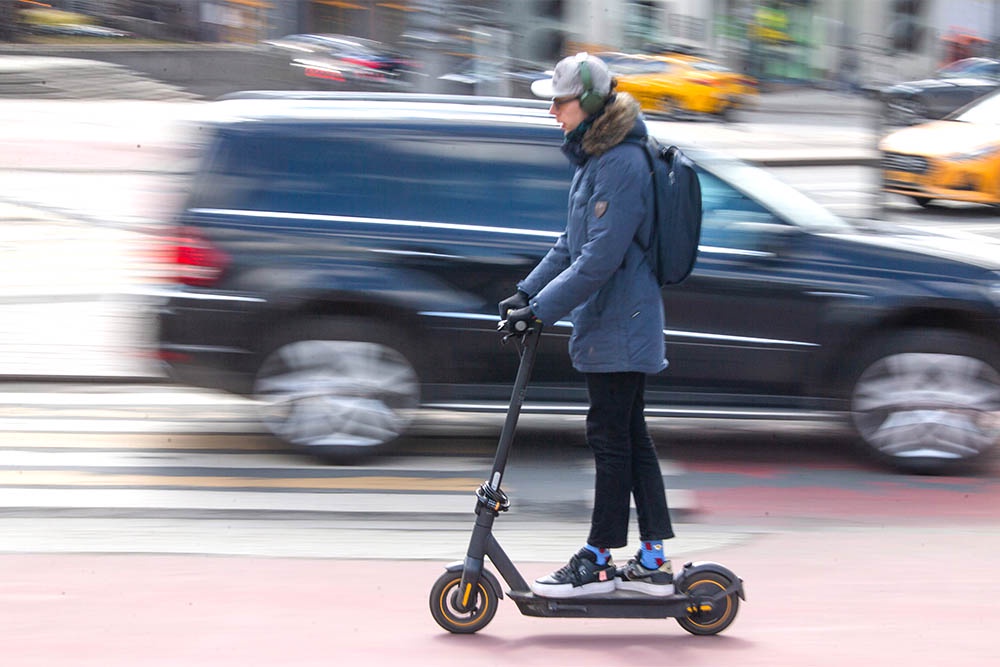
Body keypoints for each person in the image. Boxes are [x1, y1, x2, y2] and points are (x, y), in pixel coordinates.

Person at [498, 52, 675, 599]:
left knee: (610, 437)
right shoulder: (596, 160)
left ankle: (599, 559)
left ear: (592, 104)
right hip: (614, 319)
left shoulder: (620, 163)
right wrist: (527, 292)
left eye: (560, 101)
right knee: (628, 436)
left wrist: (543, 310)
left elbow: (599, 258)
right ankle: (651, 559)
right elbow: (569, 246)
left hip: (624, 322)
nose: (552, 111)